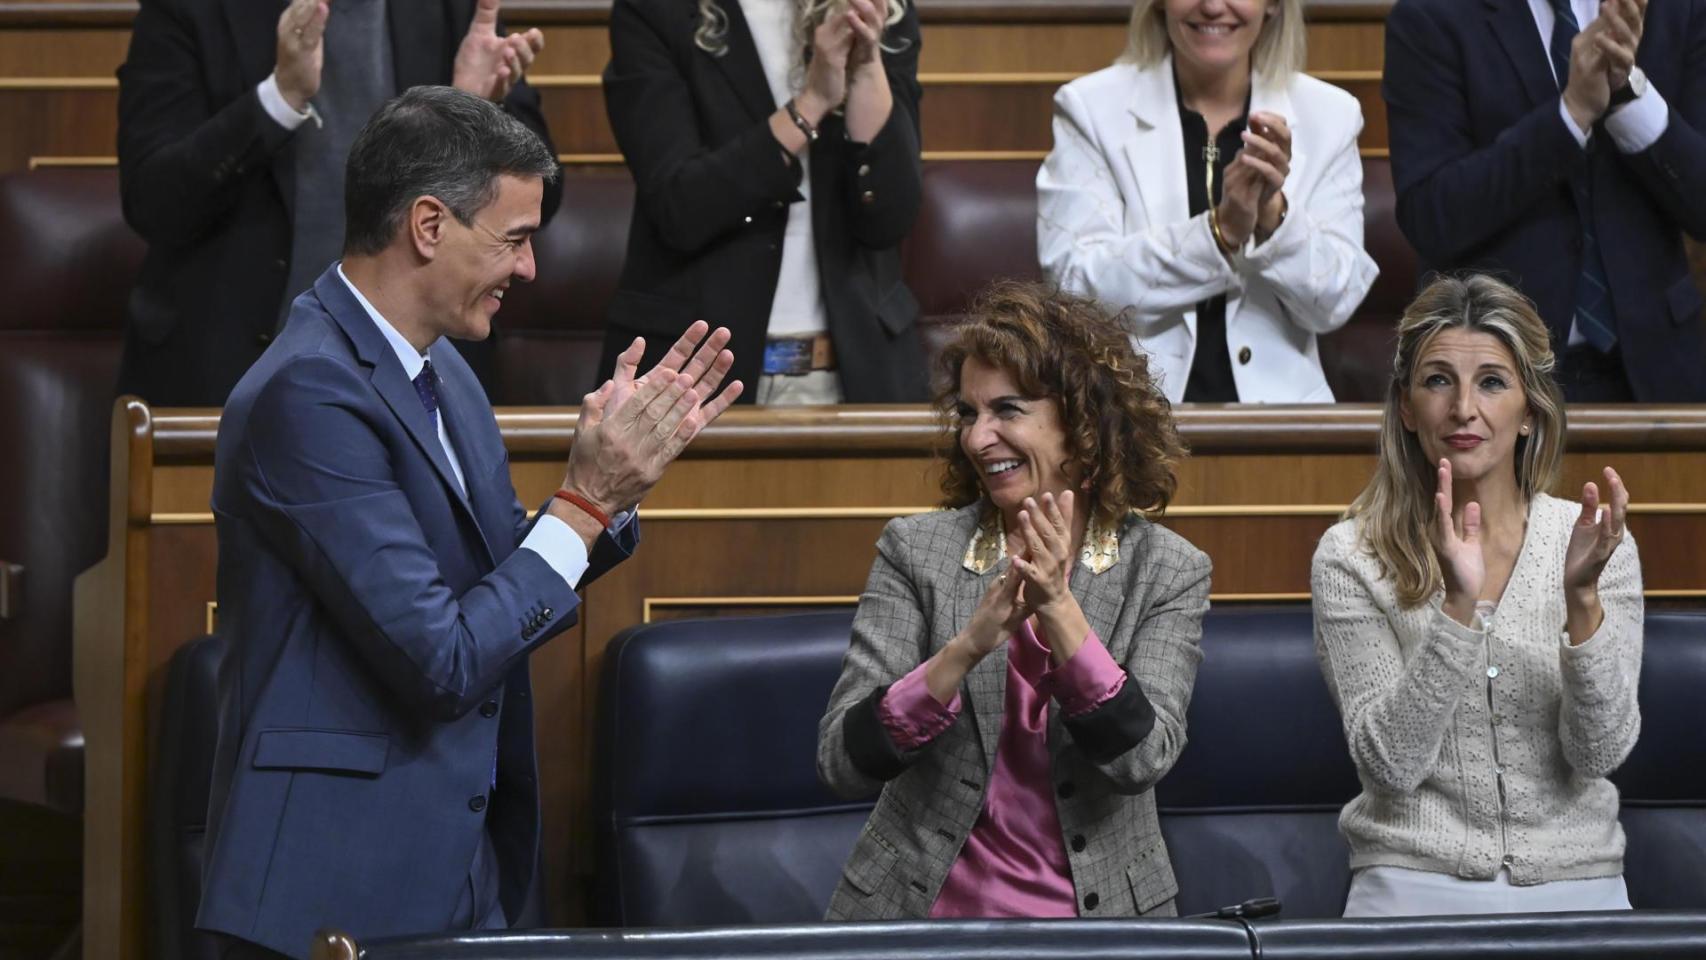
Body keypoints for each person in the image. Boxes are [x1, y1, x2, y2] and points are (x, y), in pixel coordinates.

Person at [197, 87, 743, 959]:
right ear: (427, 225)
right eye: (515, 239)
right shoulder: (308, 391)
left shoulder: (447, 372)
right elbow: (441, 656)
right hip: (333, 890)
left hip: (461, 871)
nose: (529, 269)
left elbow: (497, 575)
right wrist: (584, 504)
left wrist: (611, 496)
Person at [816, 282, 1211, 919]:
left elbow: (1142, 758)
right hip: (923, 915)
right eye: (970, 414)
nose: (978, 439)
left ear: (1082, 422)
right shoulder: (916, 551)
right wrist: (966, 648)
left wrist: (1057, 605)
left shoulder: (1165, 570)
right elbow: (842, 760)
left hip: (1101, 925)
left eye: (1007, 409)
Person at [1312, 274, 1641, 917]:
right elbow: (1390, 766)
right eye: (1438, 380)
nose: (1464, 407)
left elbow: (1598, 752)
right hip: (1411, 886)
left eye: (1492, 381)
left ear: (1529, 411)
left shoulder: (1597, 545)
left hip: (1578, 885)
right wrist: (1458, 614)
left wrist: (1583, 604)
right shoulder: (1351, 556)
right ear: (1406, 408)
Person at [116, 0, 558, 407]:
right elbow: (153, 200)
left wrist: (472, 113)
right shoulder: (192, 8)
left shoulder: (456, 7)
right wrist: (279, 100)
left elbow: (543, 200)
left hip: (418, 377)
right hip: (224, 375)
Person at [1036, 0, 1376, 404]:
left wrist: (1273, 216)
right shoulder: (1090, 108)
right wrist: (1222, 232)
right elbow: (1074, 287)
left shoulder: (1330, 114)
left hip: (1285, 423)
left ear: (1272, 6)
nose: (1214, 7)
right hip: (1128, 417)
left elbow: (1333, 302)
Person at [598, 0, 927, 404]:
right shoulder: (656, 10)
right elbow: (679, 205)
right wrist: (811, 104)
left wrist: (865, 66)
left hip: (854, 374)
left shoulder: (878, 9)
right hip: (696, 377)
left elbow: (890, 216)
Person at [1383, 0, 1706, 402]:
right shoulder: (1430, 15)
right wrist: (1570, 115)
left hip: (1659, 371)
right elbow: (1431, 215)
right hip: (1498, 378)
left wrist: (1629, 94)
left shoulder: (1676, 8)